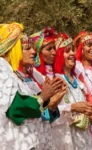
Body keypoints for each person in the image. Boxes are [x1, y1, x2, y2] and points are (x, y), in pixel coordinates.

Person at [0, 22, 63, 150]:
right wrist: (43, 97)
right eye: (27, 48)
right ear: (12, 46)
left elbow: (29, 108)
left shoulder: (12, 72)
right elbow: (13, 108)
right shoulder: (1, 68)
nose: (34, 52)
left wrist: (48, 100)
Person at [51, 33, 92, 150]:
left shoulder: (77, 81)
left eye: (72, 51)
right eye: (67, 51)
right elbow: (51, 114)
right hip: (66, 139)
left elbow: (81, 109)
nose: (72, 54)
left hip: (84, 138)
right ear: (59, 55)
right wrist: (73, 107)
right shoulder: (55, 80)